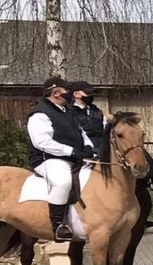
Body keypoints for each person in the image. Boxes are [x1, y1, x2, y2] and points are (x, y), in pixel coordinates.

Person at [27, 76, 90, 241]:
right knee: (63, 181)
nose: (70, 93)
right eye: (66, 91)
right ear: (56, 93)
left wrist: (88, 147)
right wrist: (71, 151)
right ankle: (59, 226)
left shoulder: (68, 111)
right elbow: (42, 142)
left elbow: (81, 132)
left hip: (73, 158)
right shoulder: (40, 113)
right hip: (48, 160)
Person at [70, 82, 107, 162]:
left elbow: (105, 133)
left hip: (101, 154)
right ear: (76, 94)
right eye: (87, 93)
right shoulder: (69, 112)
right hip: (82, 155)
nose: (90, 95)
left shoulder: (98, 112)